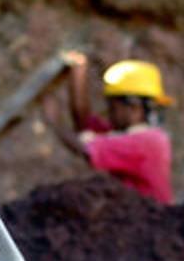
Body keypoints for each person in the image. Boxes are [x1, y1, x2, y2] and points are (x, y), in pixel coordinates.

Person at [44, 53, 175, 204]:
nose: (109, 114)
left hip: (150, 216)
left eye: (113, 108)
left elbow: (86, 150)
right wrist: (79, 71)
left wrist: (54, 122)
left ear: (134, 108)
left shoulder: (146, 142)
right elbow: (84, 123)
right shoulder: (134, 136)